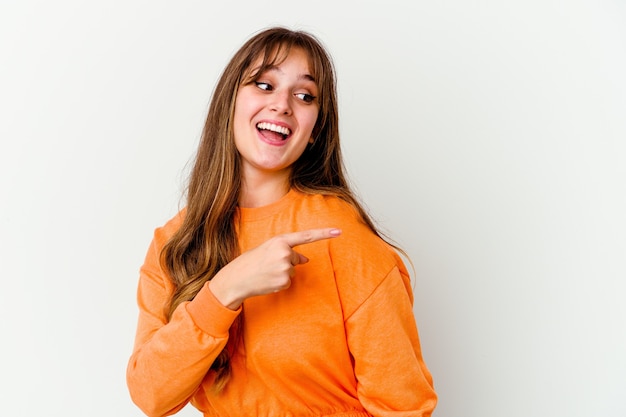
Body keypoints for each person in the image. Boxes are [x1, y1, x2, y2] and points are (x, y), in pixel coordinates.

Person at [126, 26, 437, 417]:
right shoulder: (177, 241)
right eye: (264, 84)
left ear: (314, 132)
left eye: (304, 95)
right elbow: (151, 396)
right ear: (229, 103)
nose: (283, 105)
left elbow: (403, 406)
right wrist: (223, 292)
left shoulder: (343, 238)